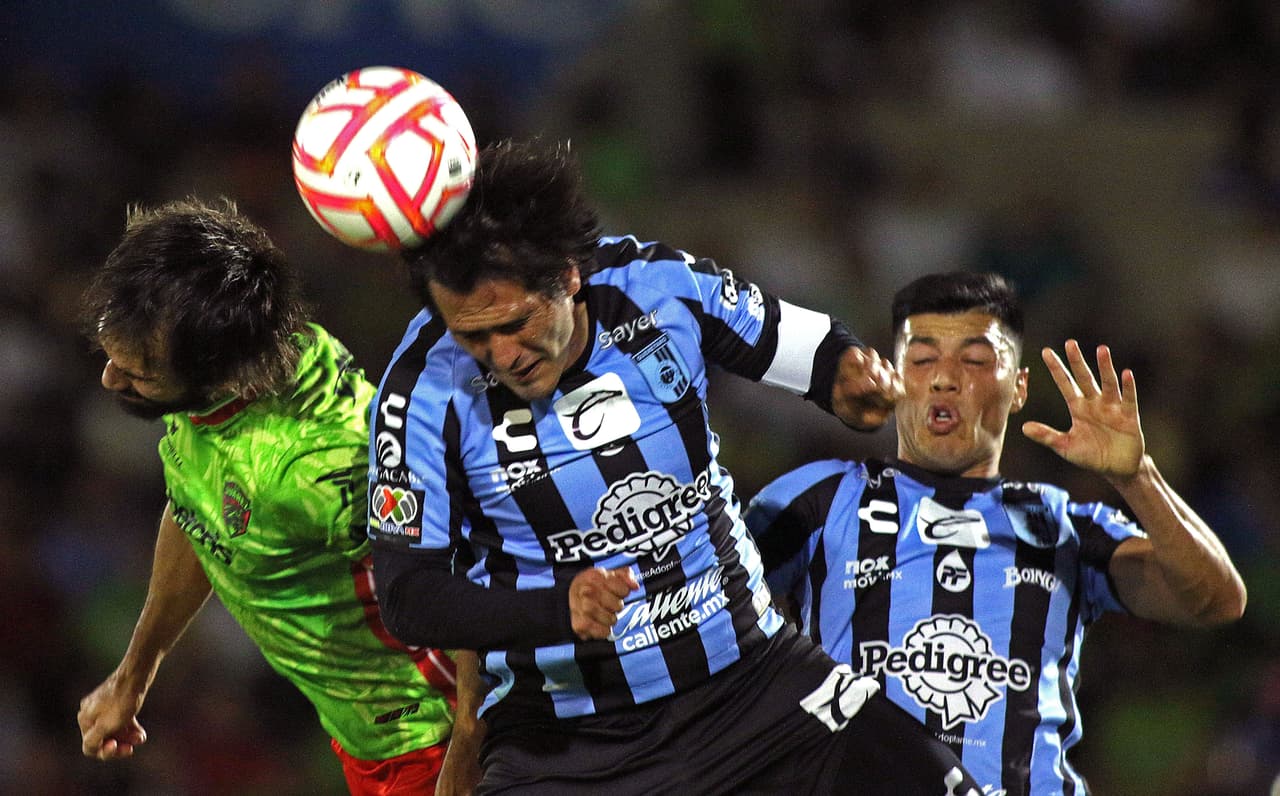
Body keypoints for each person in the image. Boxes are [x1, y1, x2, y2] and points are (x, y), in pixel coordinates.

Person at [366, 138, 983, 795]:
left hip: (757, 689)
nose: (503, 354)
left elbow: (808, 347)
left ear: (569, 276)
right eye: (473, 336)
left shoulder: (657, 286)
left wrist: (848, 379)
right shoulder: (418, 392)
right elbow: (408, 596)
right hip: (566, 745)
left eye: (517, 323)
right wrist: (556, 611)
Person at [744, 271, 1247, 795]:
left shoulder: (1062, 526)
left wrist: (1135, 476)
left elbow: (1216, 600)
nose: (944, 378)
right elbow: (701, 599)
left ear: (1019, 387)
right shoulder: (818, 500)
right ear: (895, 378)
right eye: (922, 359)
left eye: (975, 360)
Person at [75, 198, 478, 795]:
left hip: (425, 740)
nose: (111, 379)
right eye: (113, 355)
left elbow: (473, 573)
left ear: (224, 372)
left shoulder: (322, 471)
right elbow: (198, 509)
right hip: (365, 736)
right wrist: (134, 676)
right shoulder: (224, 354)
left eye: (138, 375)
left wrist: (468, 749)